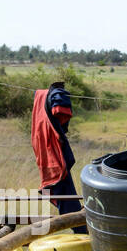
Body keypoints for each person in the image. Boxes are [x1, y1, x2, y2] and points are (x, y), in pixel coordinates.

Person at [30, 81, 84, 221]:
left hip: (47, 154)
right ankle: (78, 227)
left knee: (65, 194)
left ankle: (77, 224)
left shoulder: (42, 97)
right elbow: (60, 111)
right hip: (54, 156)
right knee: (64, 191)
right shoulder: (54, 97)